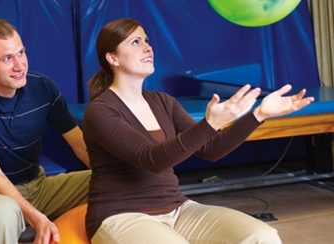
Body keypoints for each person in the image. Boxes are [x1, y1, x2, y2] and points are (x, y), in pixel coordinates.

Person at [83, 18, 314, 244]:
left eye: (147, 40)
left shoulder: (163, 101)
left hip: (177, 209)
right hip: (122, 216)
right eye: (135, 42)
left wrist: (259, 115)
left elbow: (211, 150)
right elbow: (151, 159)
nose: (148, 47)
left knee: (262, 237)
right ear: (112, 58)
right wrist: (210, 124)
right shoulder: (100, 111)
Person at [0, 18, 90, 244]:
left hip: (38, 186)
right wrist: (37, 218)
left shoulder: (43, 87)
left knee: (110, 179)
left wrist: (117, 177)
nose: (19, 65)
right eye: (7, 59)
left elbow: (81, 146)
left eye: (21, 53)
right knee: (4, 213)